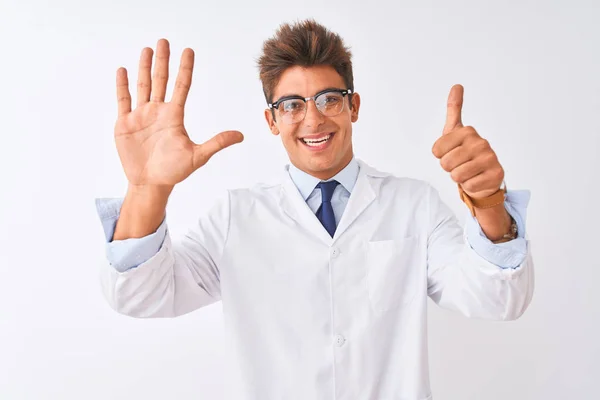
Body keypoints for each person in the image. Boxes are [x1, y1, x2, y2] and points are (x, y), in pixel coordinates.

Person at [95, 19, 533, 400]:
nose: (313, 119)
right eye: (291, 105)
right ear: (272, 121)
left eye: (329, 99)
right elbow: (141, 297)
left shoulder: (413, 205)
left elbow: (497, 299)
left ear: (353, 106)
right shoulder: (235, 216)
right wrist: (146, 190)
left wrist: (489, 201)